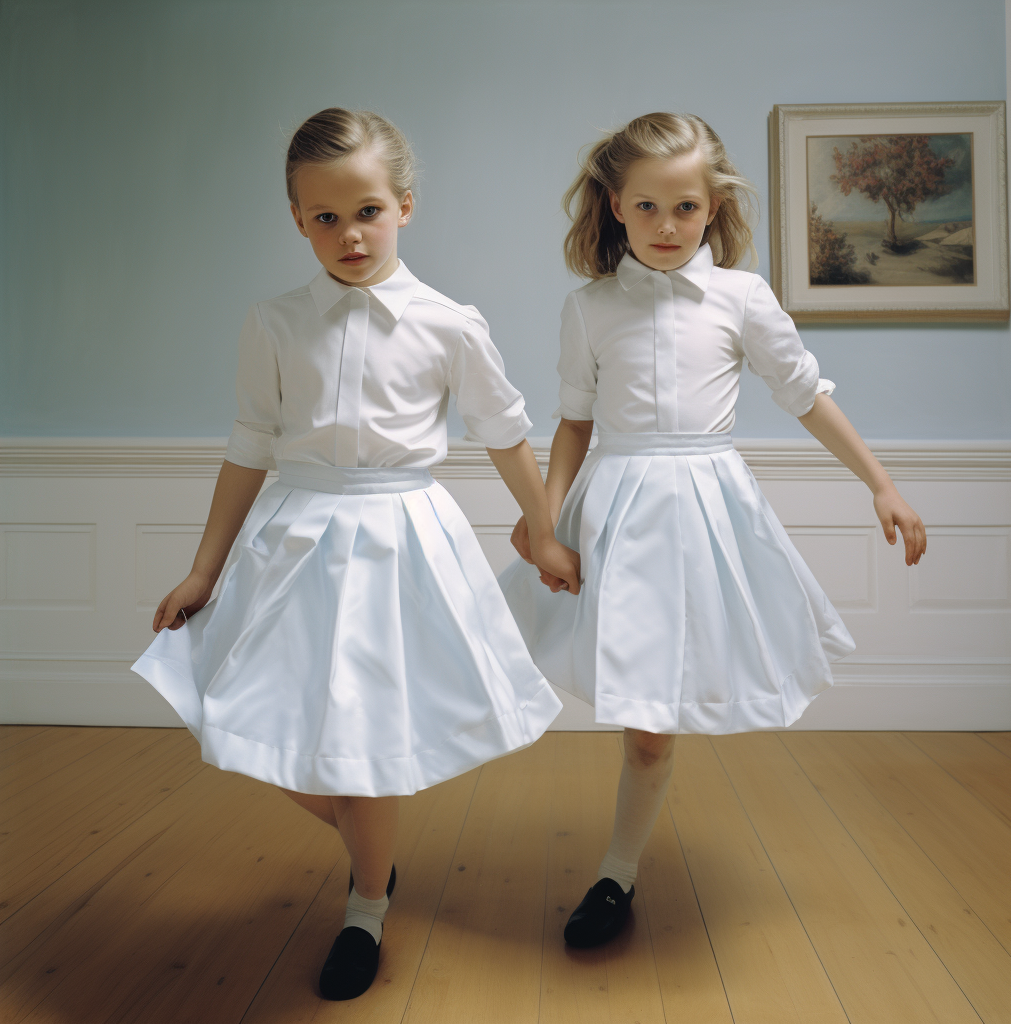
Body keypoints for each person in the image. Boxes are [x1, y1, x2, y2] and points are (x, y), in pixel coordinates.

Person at [132, 107, 579, 1000]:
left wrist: (544, 530)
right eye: (325, 217)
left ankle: (365, 906)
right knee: (258, 729)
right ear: (297, 219)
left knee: (365, 735)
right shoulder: (274, 322)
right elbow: (252, 444)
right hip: (294, 544)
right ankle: (367, 846)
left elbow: (505, 433)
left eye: (367, 211)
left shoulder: (450, 323)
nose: (349, 234)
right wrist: (204, 568)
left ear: (405, 206)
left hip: (403, 544)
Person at [499, 111, 926, 949]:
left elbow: (805, 394)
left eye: (685, 208)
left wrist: (882, 485)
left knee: (656, 721)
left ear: (712, 207)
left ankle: (615, 872)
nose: (667, 227)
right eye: (648, 207)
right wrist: (544, 522)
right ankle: (612, 874)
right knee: (638, 713)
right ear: (616, 205)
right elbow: (575, 424)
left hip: (705, 516)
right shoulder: (588, 308)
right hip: (616, 514)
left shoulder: (742, 298)